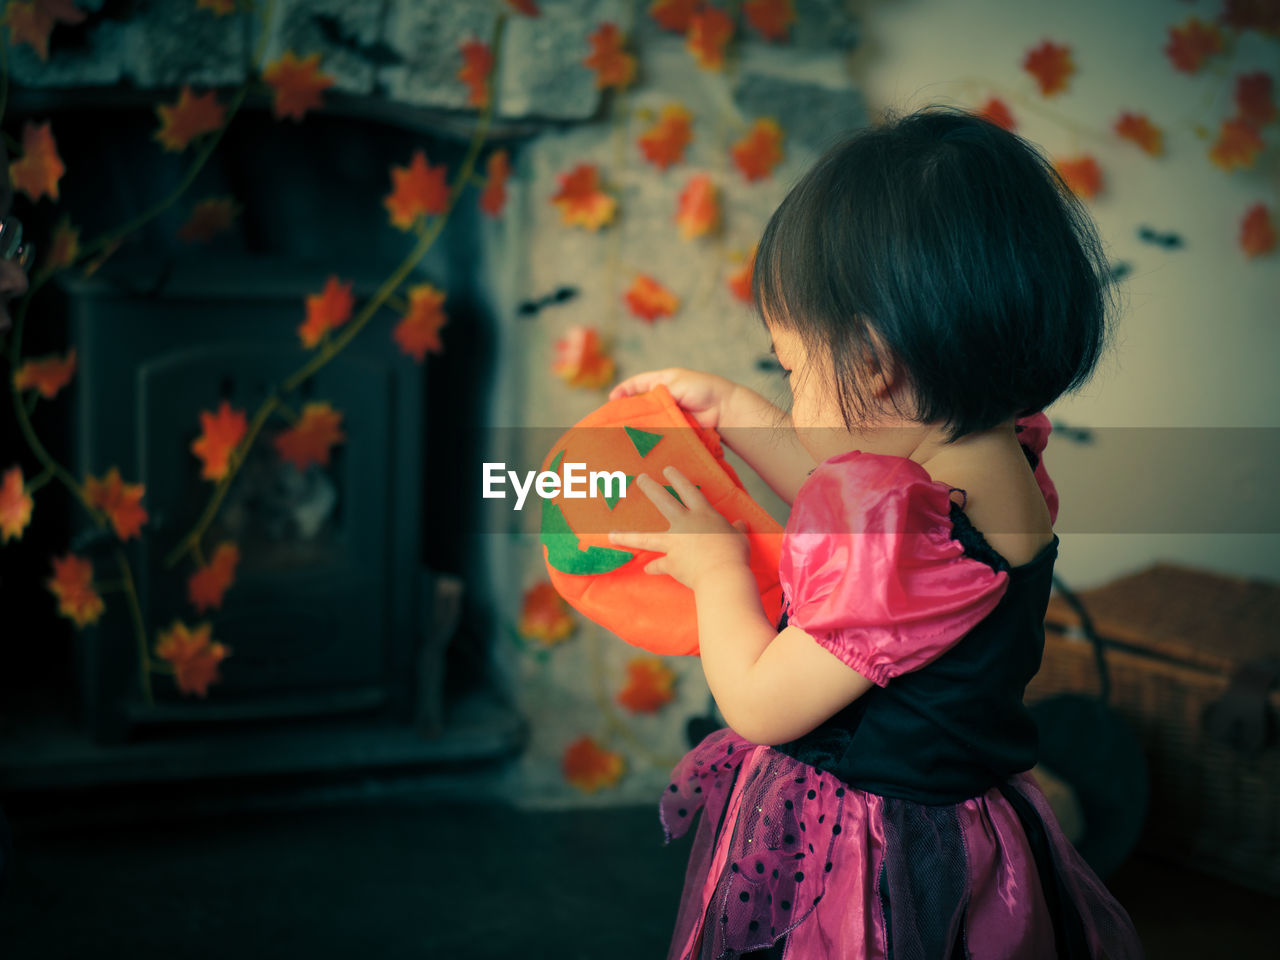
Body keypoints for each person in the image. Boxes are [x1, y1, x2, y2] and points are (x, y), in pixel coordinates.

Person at [607, 105, 1143, 959]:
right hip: (968, 824)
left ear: (876, 363)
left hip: (870, 857)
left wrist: (716, 574)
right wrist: (737, 413)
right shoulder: (995, 460)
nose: (787, 386)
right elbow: (852, 487)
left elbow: (760, 705)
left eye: (789, 367)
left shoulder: (905, 541)